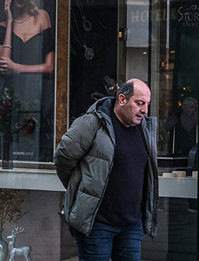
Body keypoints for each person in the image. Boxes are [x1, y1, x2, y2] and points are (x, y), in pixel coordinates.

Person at [54, 79, 158, 261]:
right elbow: (63, 158)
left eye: (147, 104)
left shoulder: (145, 128)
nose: (145, 110)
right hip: (97, 224)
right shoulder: (93, 122)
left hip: (132, 225)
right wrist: (80, 189)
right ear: (122, 99)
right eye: (140, 103)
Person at [0, 0, 55, 162]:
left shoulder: (42, 17)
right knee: (12, 148)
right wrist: (10, 22)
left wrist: (17, 68)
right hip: (13, 99)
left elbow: (50, 66)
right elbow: (3, 65)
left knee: (37, 148)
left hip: (37, 97)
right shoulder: (3, 25)